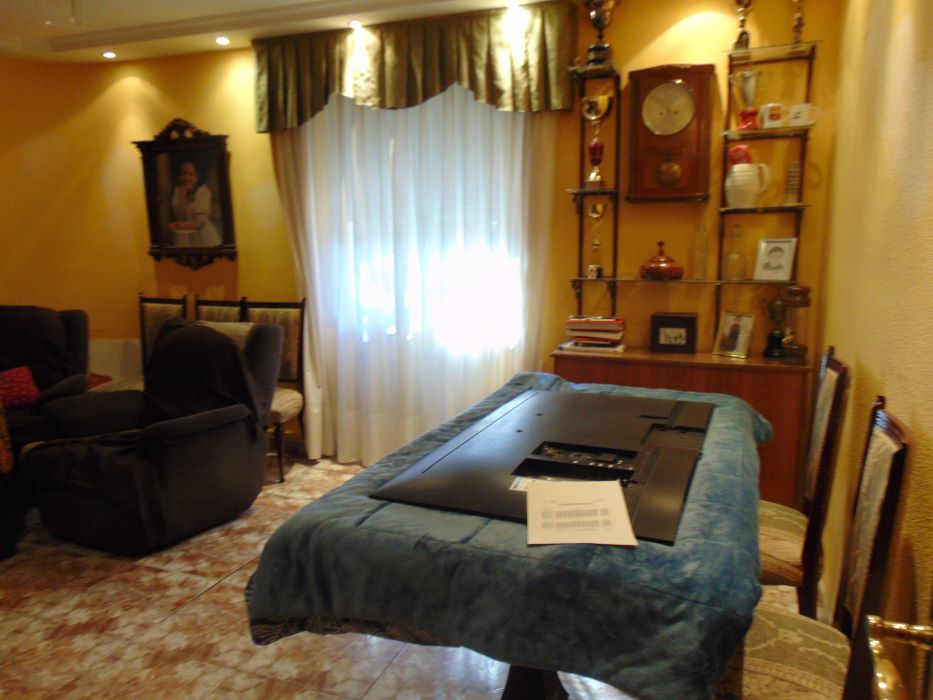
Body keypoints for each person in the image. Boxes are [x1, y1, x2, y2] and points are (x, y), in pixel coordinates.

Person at [167, 160, 222, 248]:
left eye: (190, 174)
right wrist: (182, 195)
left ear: (197, 177)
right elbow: (180, 217)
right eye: (183, 174)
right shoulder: (178, 191)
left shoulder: (203, 192)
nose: (186, 177)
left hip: (203, 237)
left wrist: (177, 225)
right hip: (184, 237)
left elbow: (199, 224)